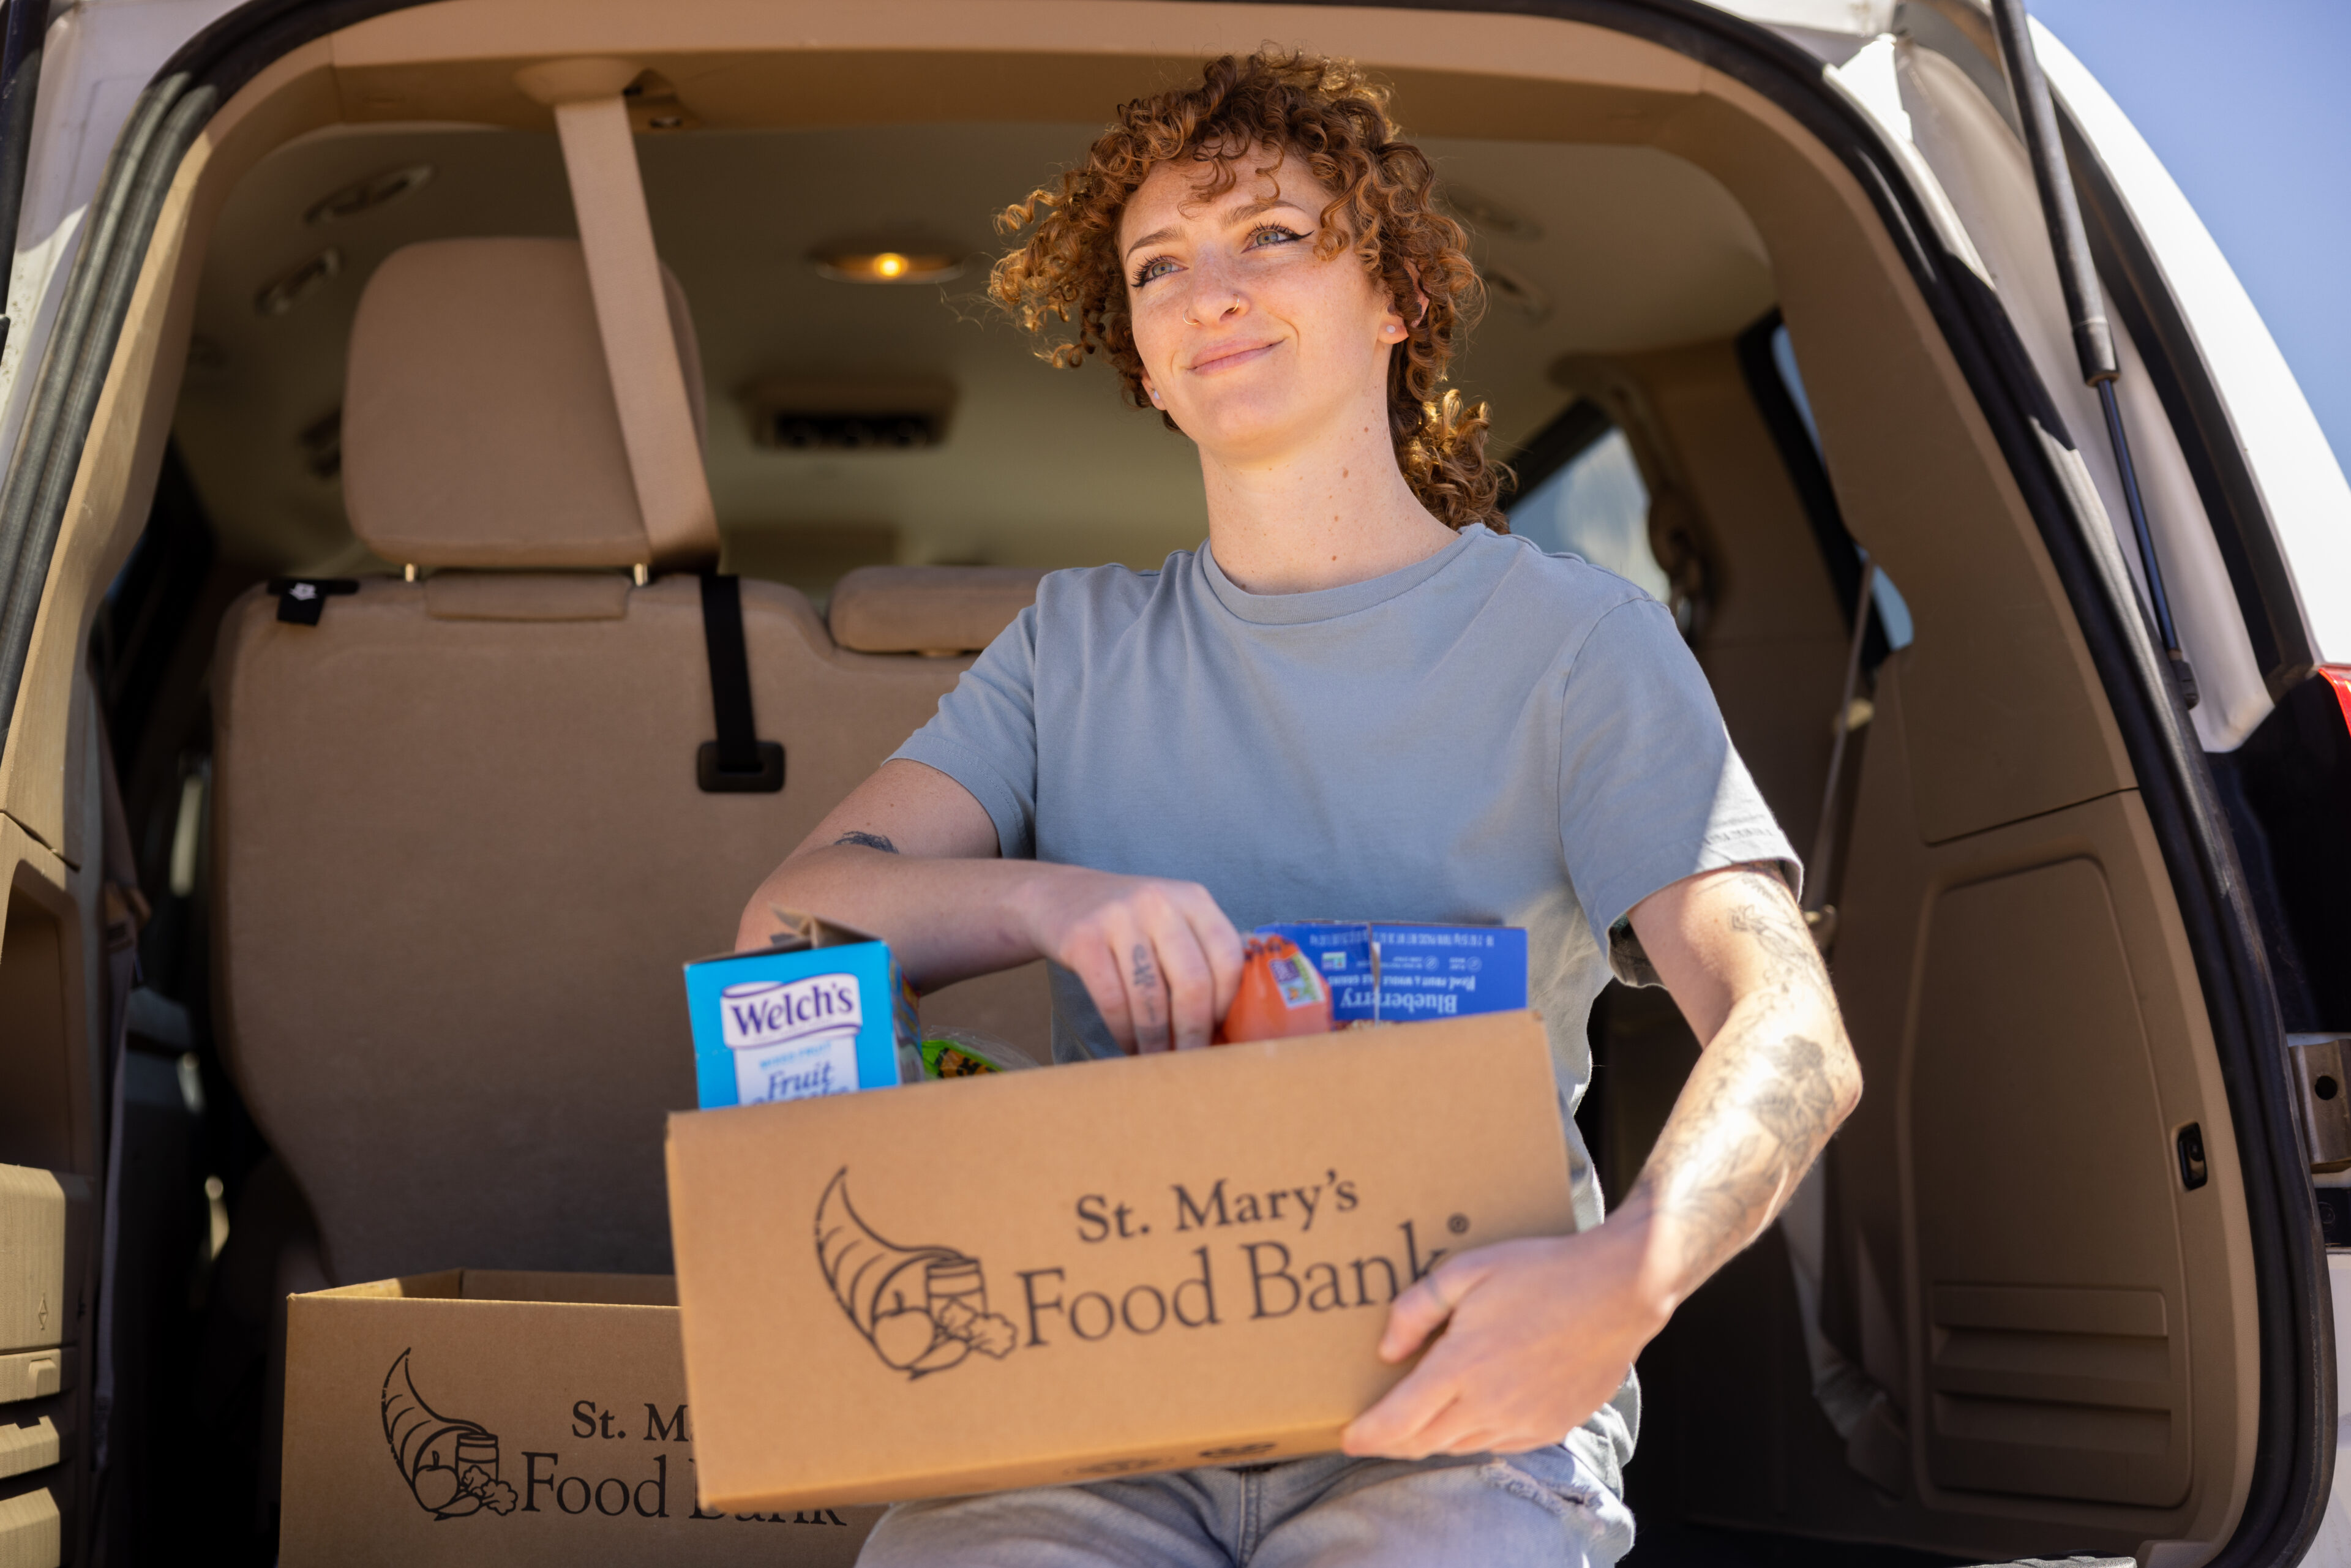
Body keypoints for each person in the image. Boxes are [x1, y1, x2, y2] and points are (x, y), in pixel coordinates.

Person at [740, 48, 1860, 1568]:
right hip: (1095, 1406)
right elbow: (792, 918)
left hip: (1457, 1403)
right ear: (1137, 354)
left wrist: (1624, 1280)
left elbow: (1787, 1017)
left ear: (1394, 292)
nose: (1211, 290)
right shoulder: (1073, 646)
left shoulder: (1575, 643)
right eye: (1158, 266)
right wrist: (1044, 900)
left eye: (1271, 235)